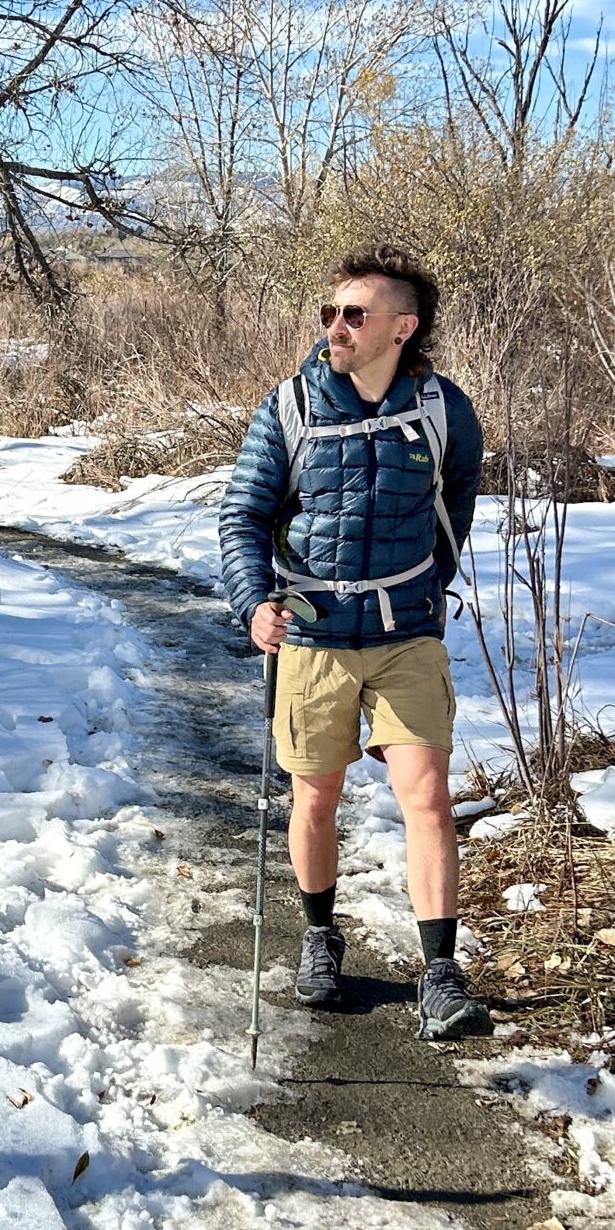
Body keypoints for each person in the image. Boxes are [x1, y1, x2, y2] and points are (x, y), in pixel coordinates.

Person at [218, 245, 489, 1040]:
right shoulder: (291, 407)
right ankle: (319, 936)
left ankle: (440, 971)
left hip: (408, 632)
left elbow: (457, 500)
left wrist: (428, 581)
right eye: (330, 312)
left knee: (429, 796)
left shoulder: (445, 409)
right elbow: (242, 516)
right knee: (316, 796)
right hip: (312, 633)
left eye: (355, 314)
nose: (336, 326)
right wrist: (253, 604)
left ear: (402, 328)